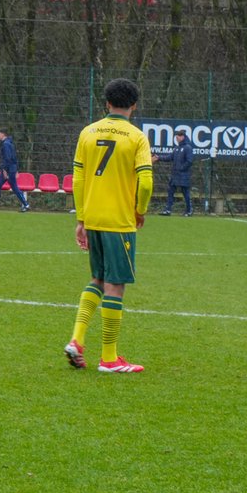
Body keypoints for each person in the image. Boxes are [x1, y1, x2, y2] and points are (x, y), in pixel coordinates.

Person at [63, 78, 154, 373]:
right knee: (116, 284)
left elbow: (77, 179)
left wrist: (81, 218)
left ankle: (77, 341)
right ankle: (109, 358)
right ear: (134, 105)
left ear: (107, 103)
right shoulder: (137, 137)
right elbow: (146, 182)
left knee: (98, 278)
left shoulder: (87, 132)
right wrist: (140, 210)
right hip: (118, 220)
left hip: (93, 217)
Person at [0, 128, 29, 212]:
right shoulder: (10, 143)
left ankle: (26, 205)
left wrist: (5, 170)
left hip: (9, 169)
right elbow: (14, 157)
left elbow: (7, 158)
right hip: (11, 168)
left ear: (3, 134)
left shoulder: (6, 144)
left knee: (14, 187)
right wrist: (16, 169)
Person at [156, 128, 193, 216]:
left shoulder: (188, 148)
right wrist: (159, 157)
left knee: (185, 193)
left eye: (178, 137)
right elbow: (170, 157)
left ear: (182, 137)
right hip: (175, 175)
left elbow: (189, 161)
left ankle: (189, 210)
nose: (177, 138)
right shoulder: (177, 148)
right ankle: (168, 210)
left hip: (183, 175)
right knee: (170, 191)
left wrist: (181, 168)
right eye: (176, 137)